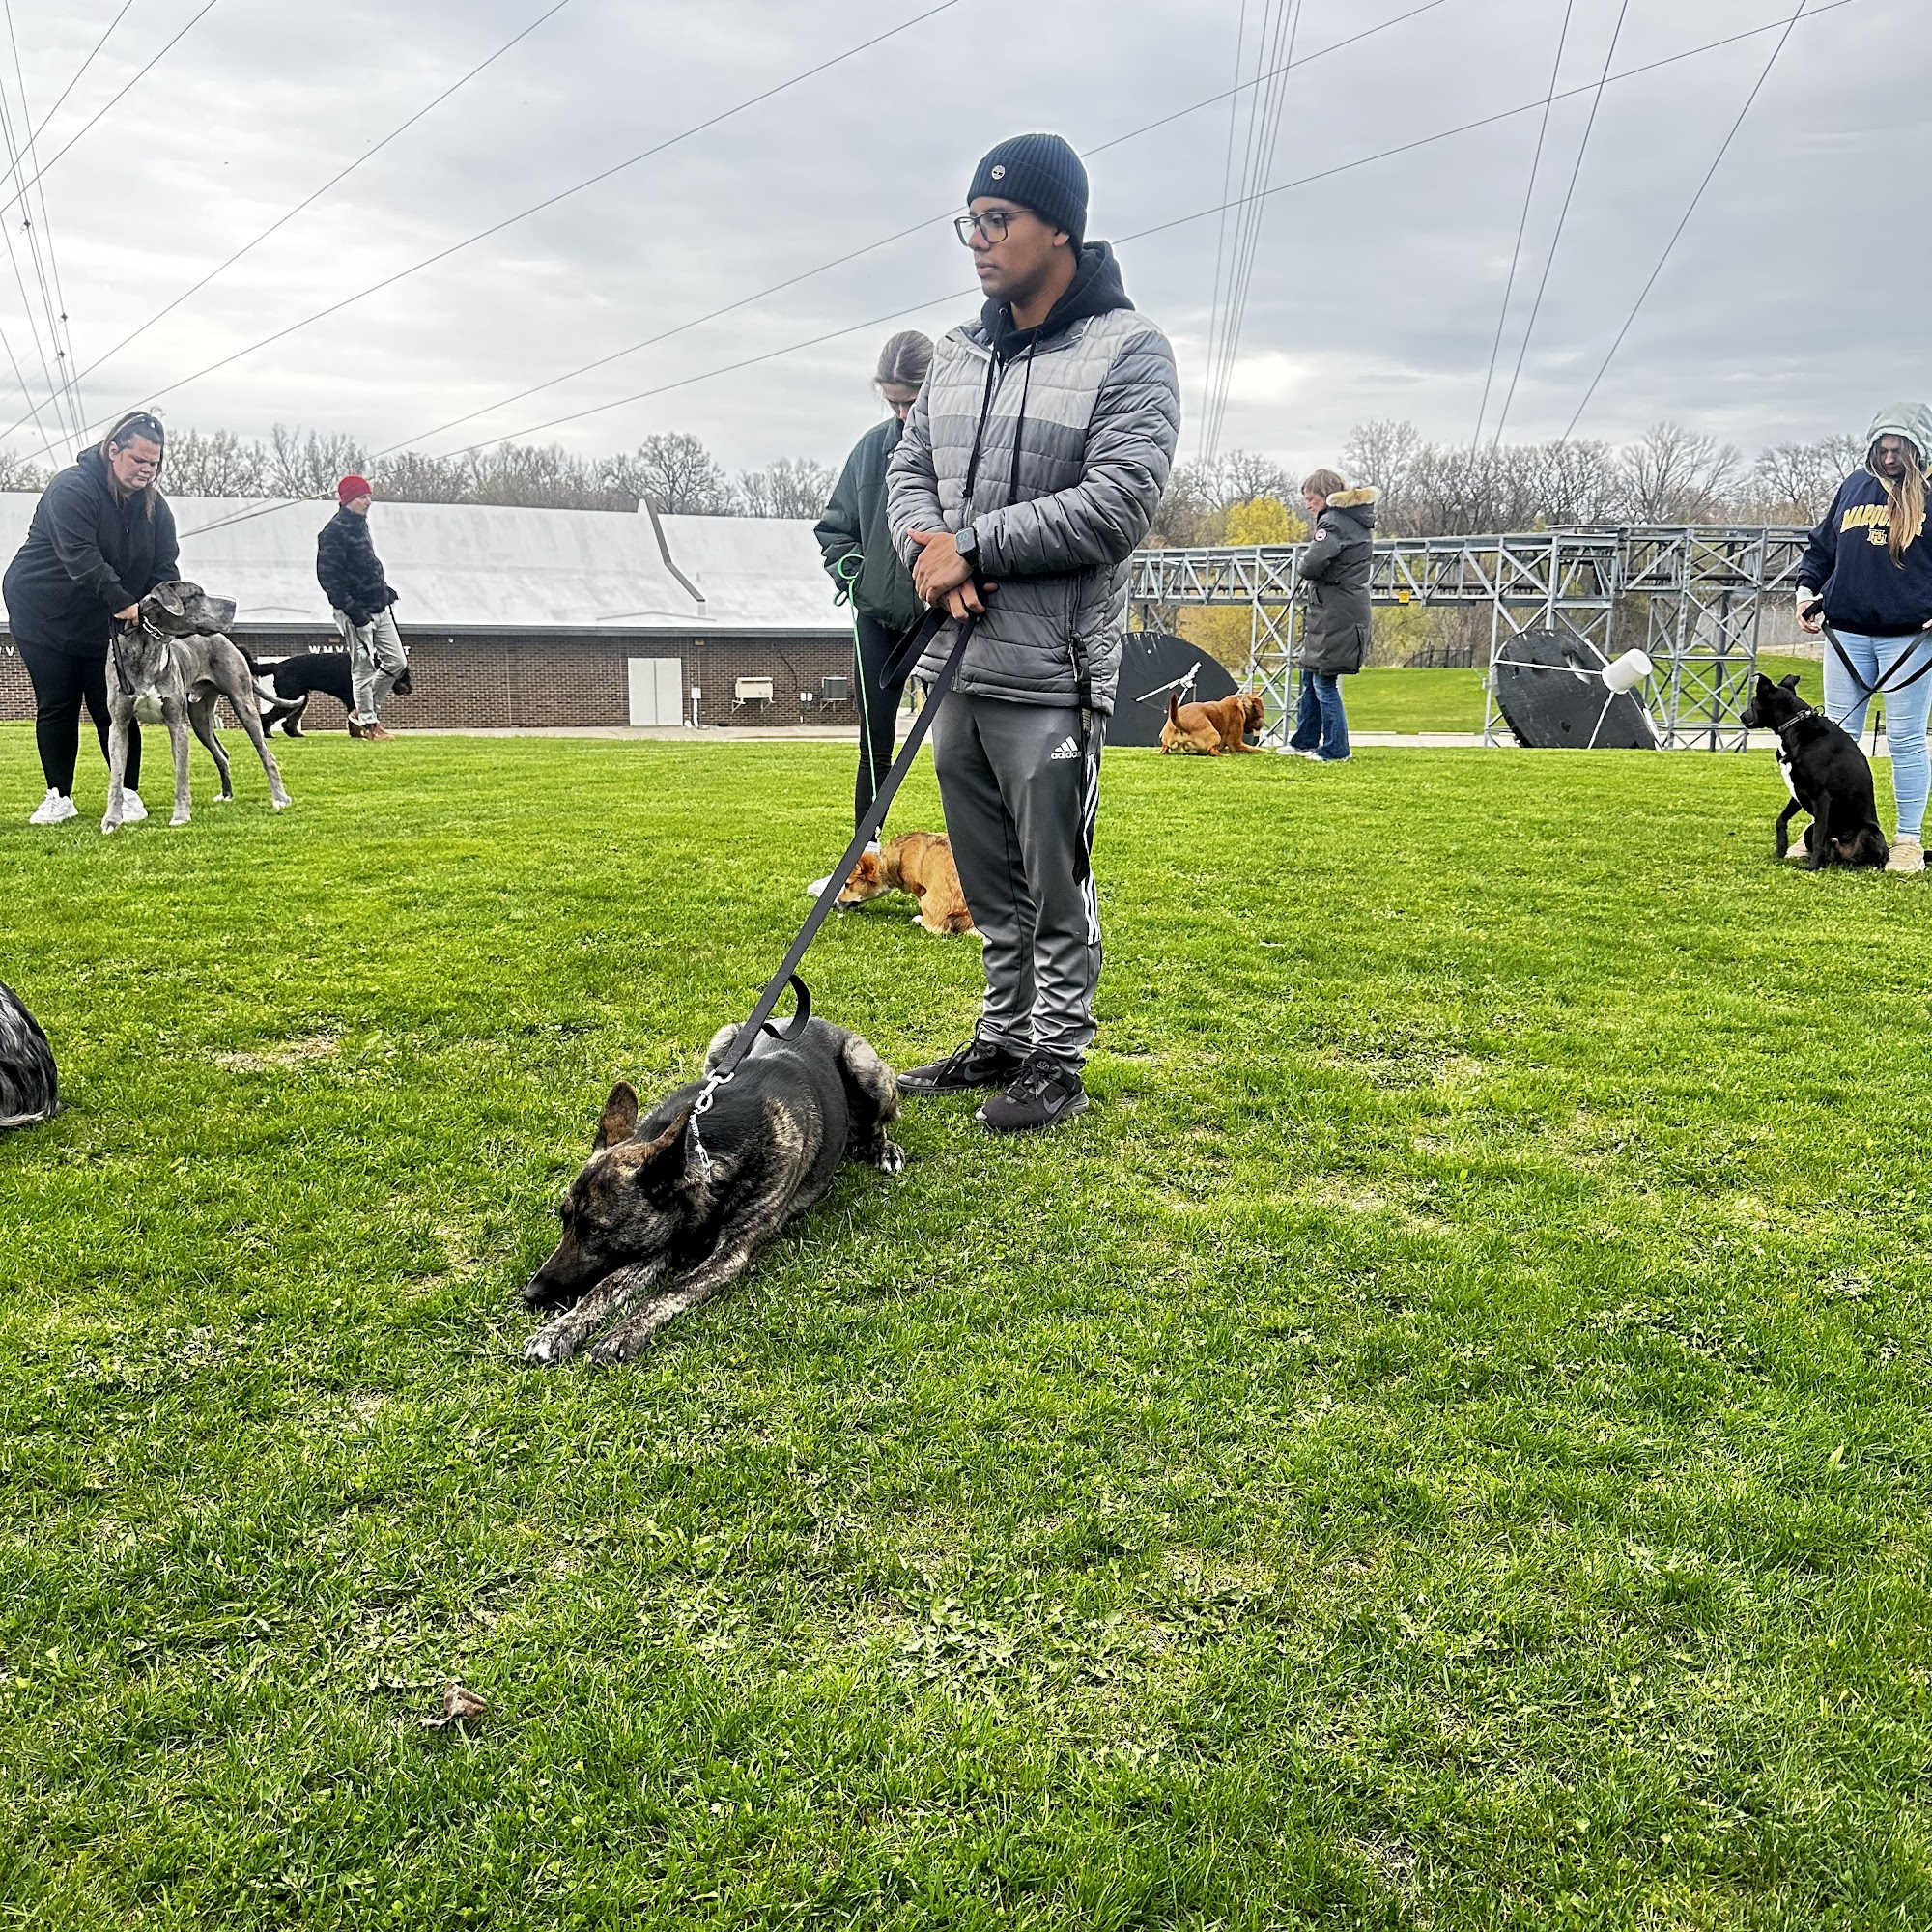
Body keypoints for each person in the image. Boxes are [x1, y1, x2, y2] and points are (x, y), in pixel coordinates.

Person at [887, 132, 1180, 1133]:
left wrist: (974, 546)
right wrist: (932, 553)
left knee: (1054, 875)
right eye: (968, 219)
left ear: (1060, 227)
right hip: (957, 664)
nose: (976, 238)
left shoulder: (1129, 350)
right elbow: (906, 468)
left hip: (1049, 672)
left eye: (996, 219)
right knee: (984, 872)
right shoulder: (959, 350)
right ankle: (1001, 1034)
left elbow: (1117, 503)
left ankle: (1057, 1055)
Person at [5, 410, 177, 825]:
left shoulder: (155, 507)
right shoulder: (72, 489)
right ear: (112, 450)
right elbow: (83, 559)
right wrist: (125, 604)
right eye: (139, 460)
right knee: (58, 701)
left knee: (112, 705)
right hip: (43, 611)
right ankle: (58, 796)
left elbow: (164, 567)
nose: (146, 470)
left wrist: (160, 611)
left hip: (108, 619)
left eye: (154, 463)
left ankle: (127, 793)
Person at [808, 331, 934, 894]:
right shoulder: (869, 450)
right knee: (873, 750)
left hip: (945, 626)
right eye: (894, 403)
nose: (905, 414)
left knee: (962, 752)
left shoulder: (957, 451)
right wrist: (852, 572)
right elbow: (833, 528)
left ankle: (969, 879)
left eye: (913, 399)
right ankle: (862, 877)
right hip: (878, 622)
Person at [1797, 403, 1932, 874]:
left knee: (1907, 738)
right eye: (1883, 446)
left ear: (1917, 447)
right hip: (1847, 633)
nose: (1890, 455)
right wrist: (1805, 591)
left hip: (1907, 637)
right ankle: (1824, 833)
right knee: (1835, 738)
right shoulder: (1855, 486)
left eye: (1899, 447)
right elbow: (1822, 548)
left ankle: (1909, 841)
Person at [1277, 468, 1377, 763]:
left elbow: (1311, 564)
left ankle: (1336, 749)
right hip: (1333, 610)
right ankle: (1305, 740)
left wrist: (1305, 563)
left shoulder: (1333, 523)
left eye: (1311, 499)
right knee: (1310, 675)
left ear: (1325, 497)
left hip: (1337, 613)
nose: (1307, 505)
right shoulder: (1352, 521)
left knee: (1324, 682)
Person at [317, 474, 406, 740]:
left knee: (396, 662)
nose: (368, 502)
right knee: (363, 667)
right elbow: (329, 578)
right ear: (347, 501)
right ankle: (370, 725)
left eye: (369, 496)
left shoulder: (361, 525)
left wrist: (383, 589)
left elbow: (366, 564)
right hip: (355, 612)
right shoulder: (332, 532)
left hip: (380, 605)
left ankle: (362, 711)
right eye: (362, 497)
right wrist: (353, 610)